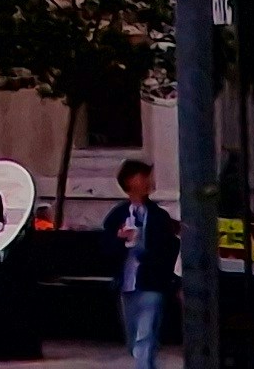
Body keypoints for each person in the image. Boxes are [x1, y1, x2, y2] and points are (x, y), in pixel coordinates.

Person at [102, 156, 182, 369]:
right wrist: (119, 240)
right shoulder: (117, 215)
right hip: (127, 284)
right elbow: (105, 248)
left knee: (145, 336)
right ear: (130, 182)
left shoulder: (158, 216)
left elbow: (168, 249)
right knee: (133, 338)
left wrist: (171, 280)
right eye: (143, 177)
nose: (148, 181)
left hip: (152, 283)